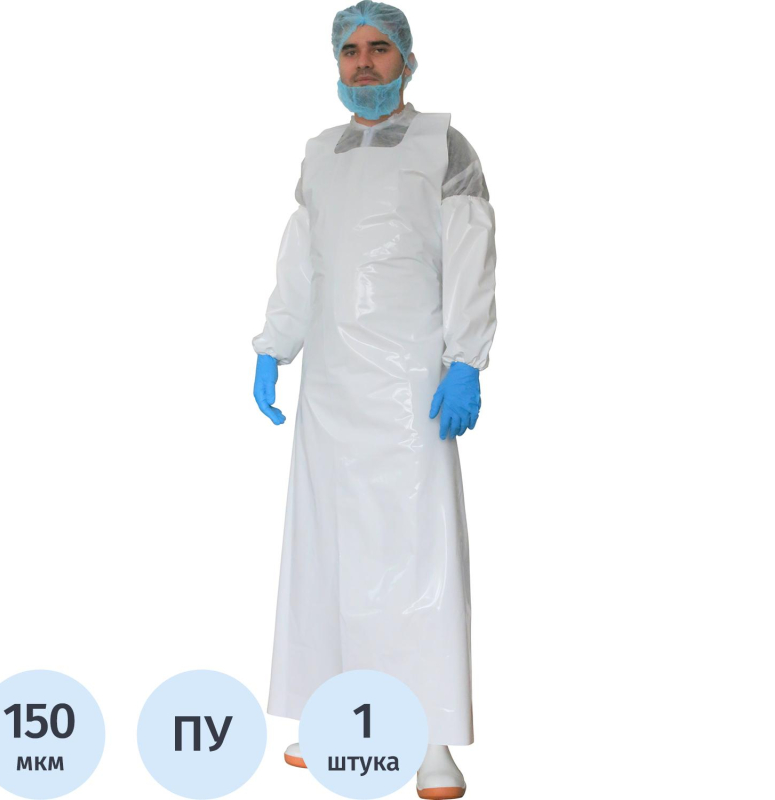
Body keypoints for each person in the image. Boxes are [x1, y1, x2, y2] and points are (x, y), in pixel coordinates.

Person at [252, 1, 497, 796]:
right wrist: (274, 346)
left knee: (418, 553)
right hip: (330, 389)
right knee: (325, 550)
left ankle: (431, 740)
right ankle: (332, 712)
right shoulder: (318, 155)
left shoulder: (444, 148)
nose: (363, 63)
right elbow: (303, 262)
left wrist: (465, 359)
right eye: (350, 50)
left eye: (379, 49)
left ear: (407, 61)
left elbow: (470, 253)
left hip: (408, 385)